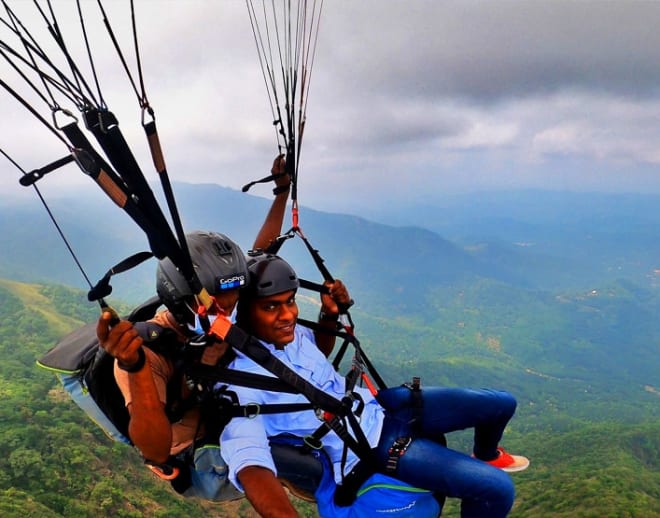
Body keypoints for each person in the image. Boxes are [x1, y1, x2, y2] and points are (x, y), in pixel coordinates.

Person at [219, 253, 529, 517]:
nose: (287, 315)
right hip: (370, 443)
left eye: (290, 302)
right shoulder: (243, 386)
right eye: (271, 307)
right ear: (243, 312)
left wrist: (329, 313)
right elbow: (252, 466)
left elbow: (320, 350)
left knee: (501, 403)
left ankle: (485, 454)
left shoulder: (290, 332)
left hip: (380, 404)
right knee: (497, 490)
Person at [96, 155, 291, 499]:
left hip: (228, 410)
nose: (229, 309)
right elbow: (155, 450)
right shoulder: (150, 351)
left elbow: (262, 252)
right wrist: (133, 365)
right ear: (183, 299)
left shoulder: (221, 308)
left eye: (235, 296)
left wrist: (280, 194)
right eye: (219, 300)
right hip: (200, 451)